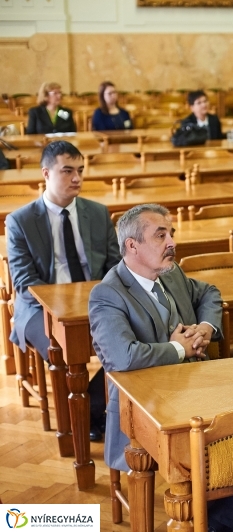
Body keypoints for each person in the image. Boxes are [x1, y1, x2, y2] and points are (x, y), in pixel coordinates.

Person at [88, 203, 222, 470]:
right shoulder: (108, 294)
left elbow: (209, 292)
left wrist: (205, 327)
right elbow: (123, 357)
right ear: (132, 246)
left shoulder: (171, 273)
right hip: (144, 407)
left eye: (171, 233)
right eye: (161, 235)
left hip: (196, 389)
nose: (172, 242)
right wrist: (179, 348)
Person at [6, 140, 120, 442]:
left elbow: (114, 267)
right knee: (64, 351)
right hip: (39, 309)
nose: (77, 178)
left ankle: (93, 409)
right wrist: (68, 306)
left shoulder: (97, 213)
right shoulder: (20, 221)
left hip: (94, 303)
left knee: (137, 338)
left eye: (80, 170)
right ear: (46, 173)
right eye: (67, 170)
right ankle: (77, 426)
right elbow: (25, 283)